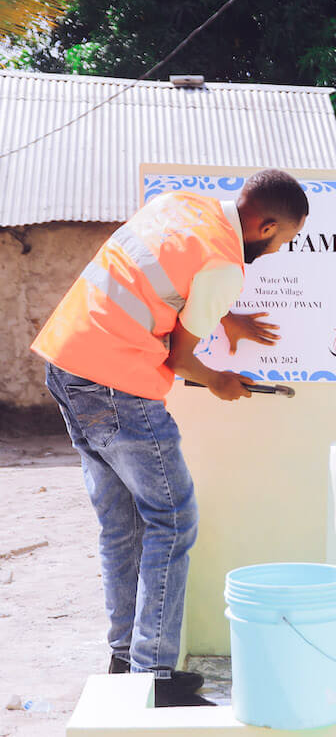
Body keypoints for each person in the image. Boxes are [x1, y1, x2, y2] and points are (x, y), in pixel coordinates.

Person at [31, 169, 309, 706]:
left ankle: (123, 659)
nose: (276, 252)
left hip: (67, 364)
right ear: (267, 224)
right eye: (282, 242)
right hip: (118, 386)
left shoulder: (182, 205)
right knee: (173, 519)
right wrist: (222, 381)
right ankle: (155, 676)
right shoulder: (226, 266)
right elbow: (182, 358)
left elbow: (161, 278)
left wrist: (222, 317)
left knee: (122, 525)